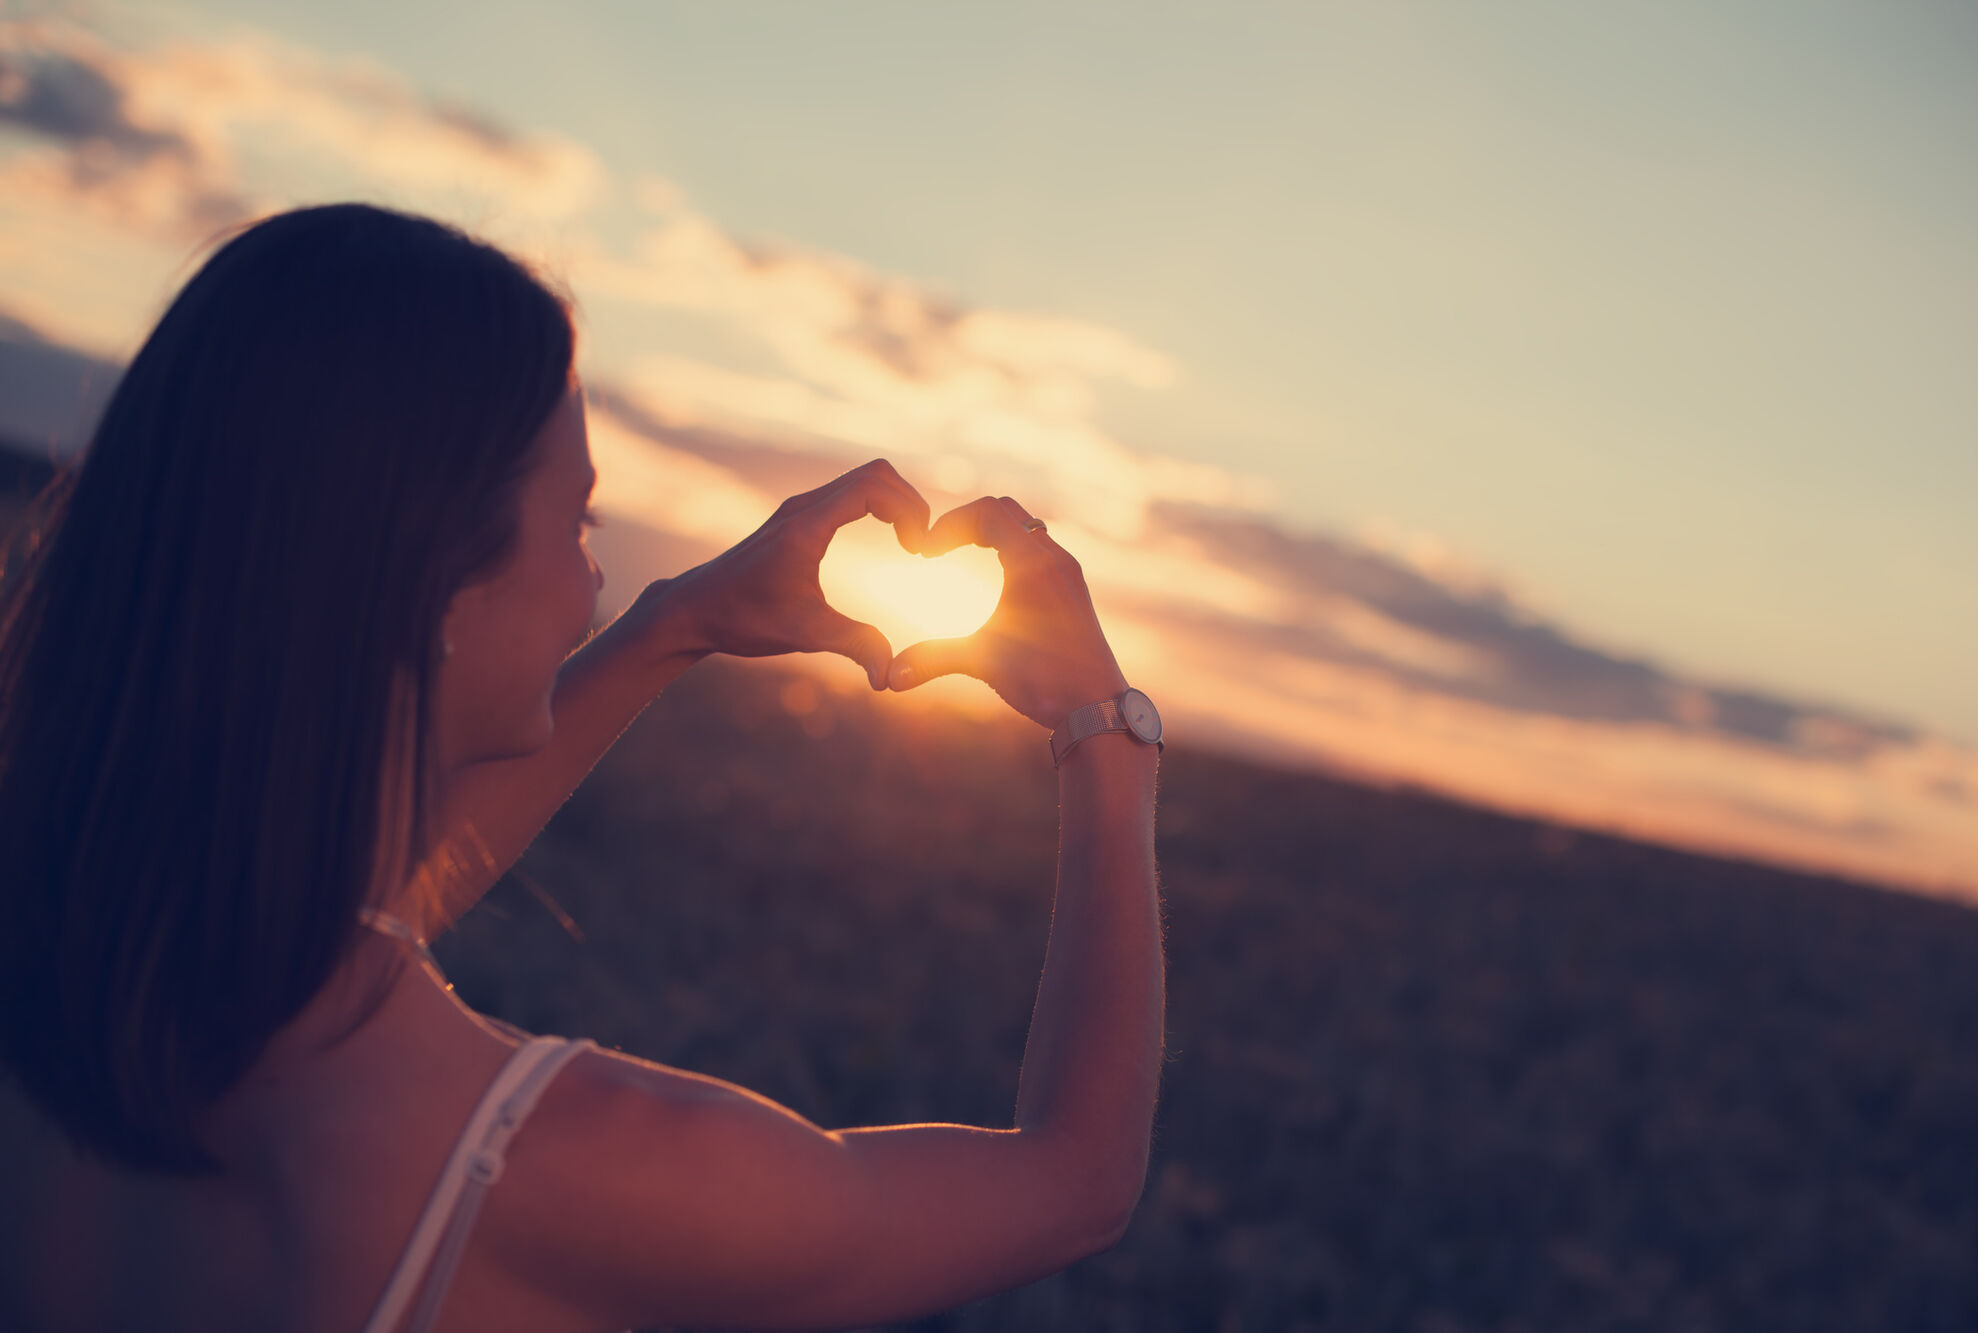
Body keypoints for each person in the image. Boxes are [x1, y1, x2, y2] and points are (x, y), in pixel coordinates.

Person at [0, 202, 1163, 1332]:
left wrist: (681, 621)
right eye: (579, 526)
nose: (592, 580)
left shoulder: (79, 968)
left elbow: (353, 903)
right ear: (432, 583)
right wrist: (1103, 730)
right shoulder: (559, 1166)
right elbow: (1075, 1181)